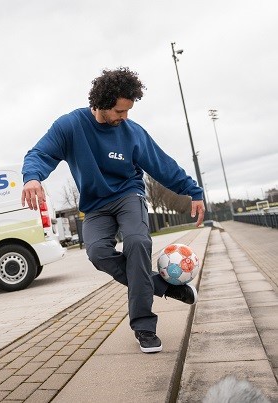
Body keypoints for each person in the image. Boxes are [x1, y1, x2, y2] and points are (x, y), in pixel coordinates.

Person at [21, 67, 205, 354]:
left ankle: (144, 326)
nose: (124, 117)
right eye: (120, 111)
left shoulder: (131, 133)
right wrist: (33, 177)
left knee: (137, 242)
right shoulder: (70, 126)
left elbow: (162, 164)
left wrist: (192, 190)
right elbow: (40, 153)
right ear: (102, 103)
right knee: (97, 253)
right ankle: (166, 288)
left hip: (128, 195)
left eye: (128, 111)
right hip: (95, 206)